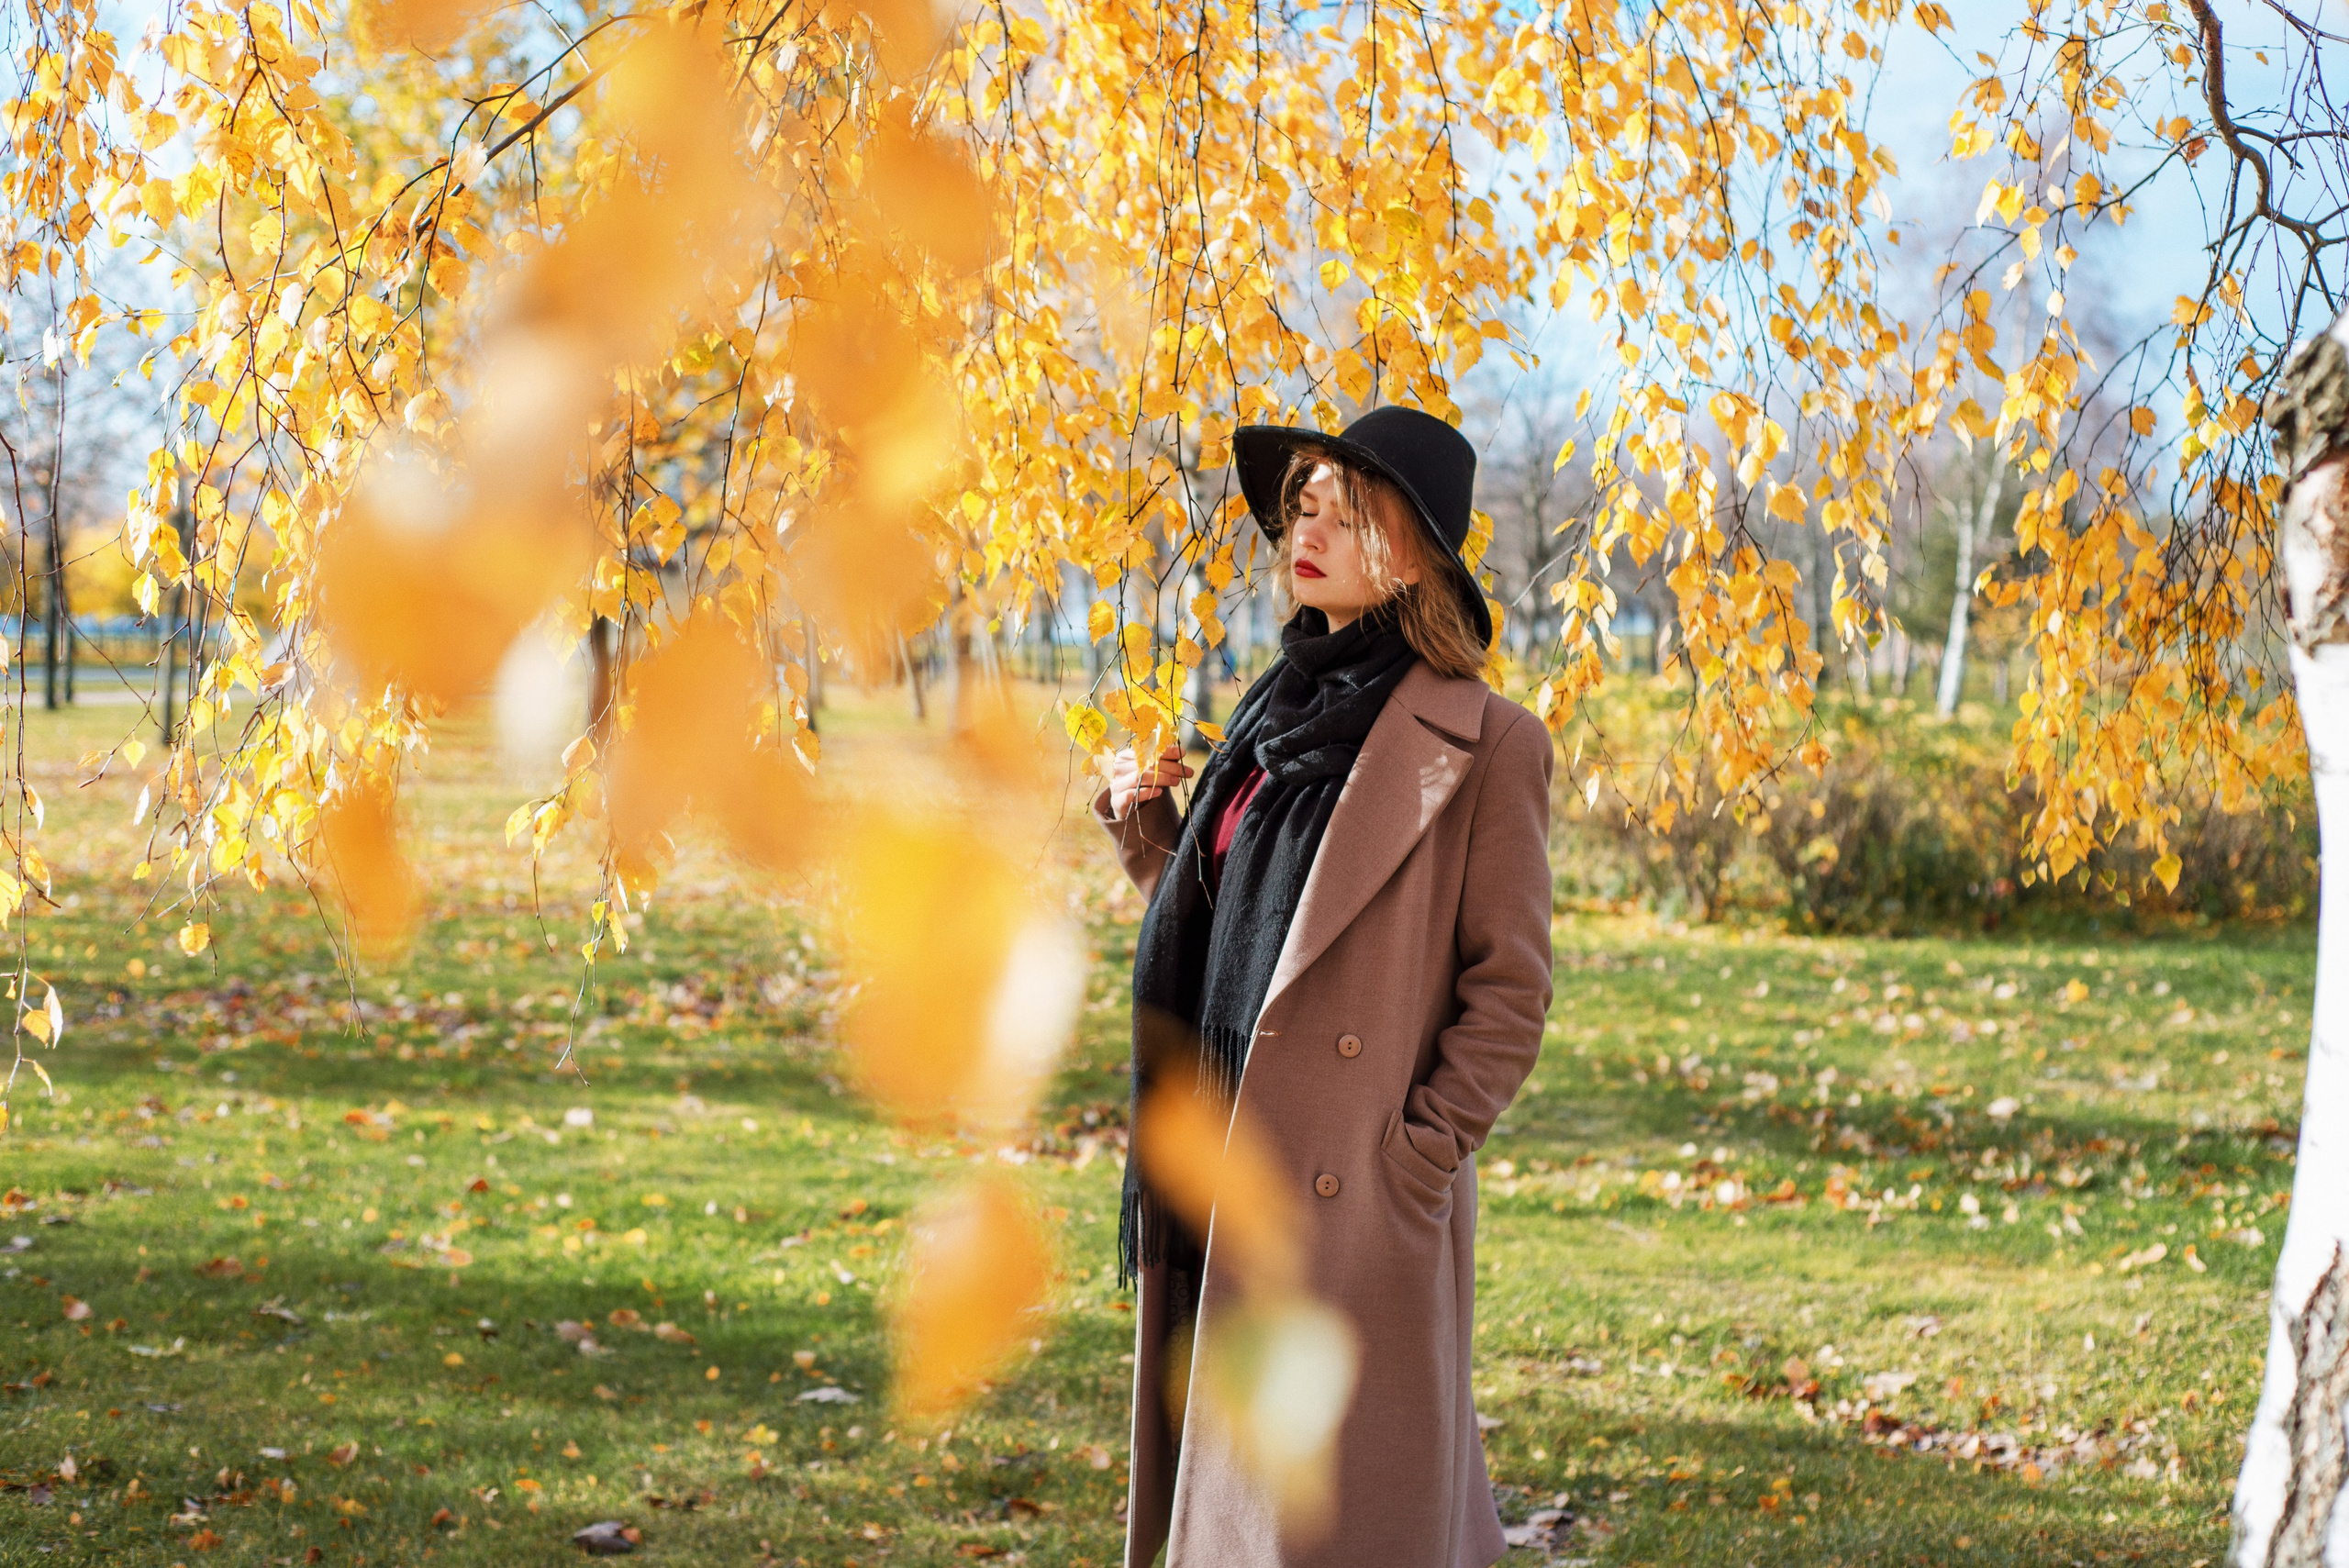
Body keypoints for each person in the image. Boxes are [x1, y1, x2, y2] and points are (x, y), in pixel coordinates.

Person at [1094, 406, 1556, 1568]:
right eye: (1301, 505)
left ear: (1407, 552)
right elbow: (1236, 932)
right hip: (1218, 1146)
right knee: (1228, 1493)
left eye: (1341, 513)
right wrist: (1151, 817)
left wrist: (1419, 1154)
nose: (1305, 529)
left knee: (1334, 1518)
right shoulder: (1269, 714)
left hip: (1351, 1194)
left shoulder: (1489, 742)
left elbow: (1509, 991)